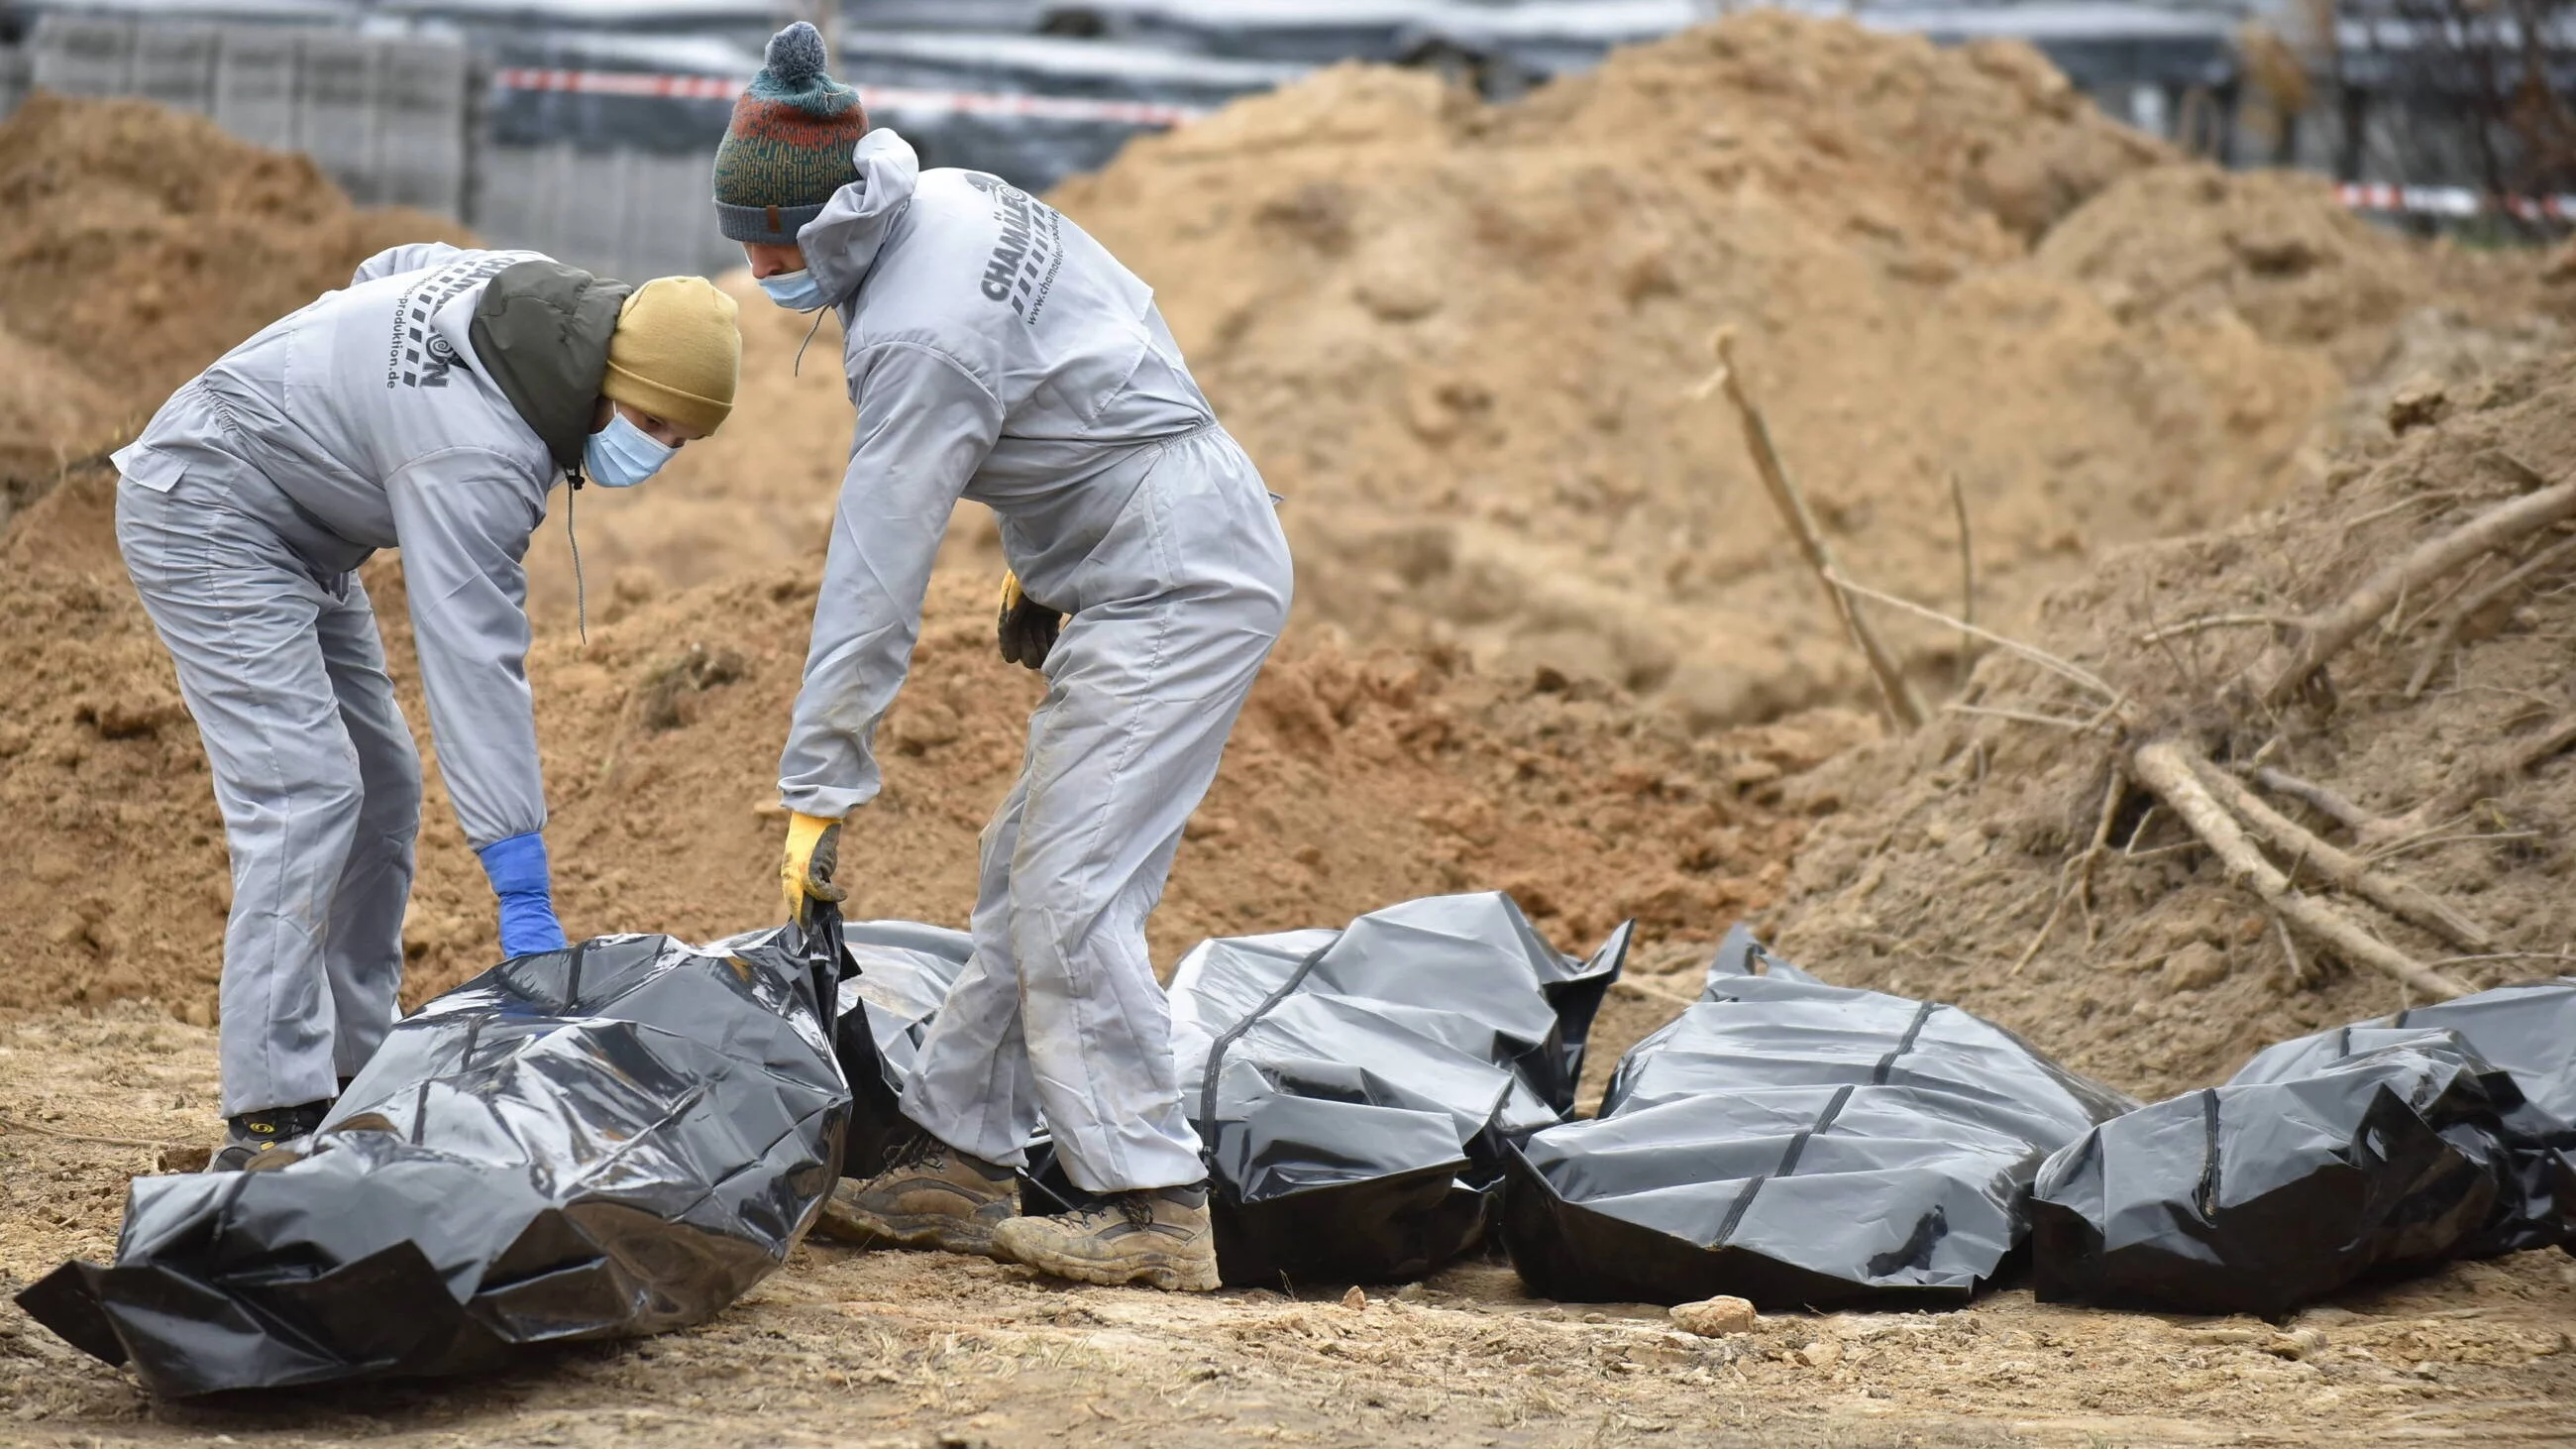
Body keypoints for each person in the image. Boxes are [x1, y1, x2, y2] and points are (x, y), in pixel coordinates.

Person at [713, 23, 1294, 1291]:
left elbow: (877, 572)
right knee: (1016, 870)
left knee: (1070, 888)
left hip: (1174, 578)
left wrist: (820, 784)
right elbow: (1107, 336)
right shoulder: (958, 199)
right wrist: (1042, 557)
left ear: (819, 225)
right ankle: (956, 1160)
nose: (755, 273)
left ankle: (1151, 1202)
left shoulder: (910, 337)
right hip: (1166, 529)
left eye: (764, 248)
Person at [113, 244, 740, 1170]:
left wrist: (352, 414)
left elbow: (391, 267)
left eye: (680, 439)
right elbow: (474, 662)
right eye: (650, 421)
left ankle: (354, 1069)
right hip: (208, 506)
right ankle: (272, 1114)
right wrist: (521, 885)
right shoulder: (476, 453)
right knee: (306, 792)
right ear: (606, 372)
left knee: (385, 786)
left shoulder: (526, 288)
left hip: (309, 532)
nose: (657, 449)